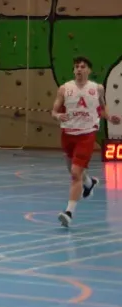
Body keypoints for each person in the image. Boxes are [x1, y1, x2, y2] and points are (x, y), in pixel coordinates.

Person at [50, 56, 120, 227]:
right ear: (73, 70)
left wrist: (109, 117)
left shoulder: (97, 88)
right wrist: (58, 116)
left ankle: (68, 213)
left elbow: (101, 108)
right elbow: (54, 111)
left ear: (89, 70)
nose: (79, 69)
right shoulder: (64, 89)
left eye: (82, 67)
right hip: (68, 134)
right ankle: (89, 183)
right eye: (76, 67)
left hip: (86, 135)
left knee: (75, 173)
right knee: (73, 171)